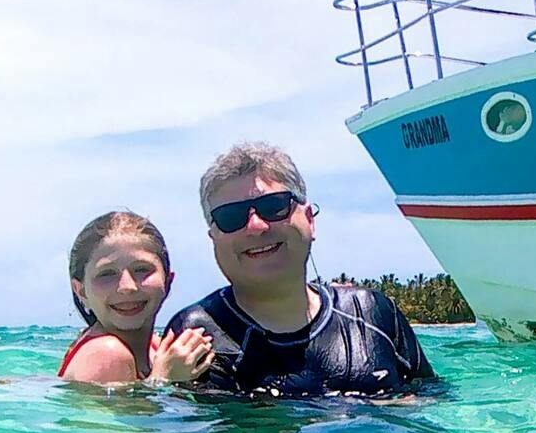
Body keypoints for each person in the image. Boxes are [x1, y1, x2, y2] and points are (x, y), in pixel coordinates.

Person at [163, 142, 434, 396]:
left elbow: (436, 407)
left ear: (309, 220)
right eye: (231, 217)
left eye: (274, 206)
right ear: (213, 237)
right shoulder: (196, 336)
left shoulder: (372, 313)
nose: (256, 226)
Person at [59, 211, 215, 385]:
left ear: (168, 281)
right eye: (107, 273)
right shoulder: (107, 354)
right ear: (81, 291)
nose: (127, 287)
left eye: (141, 269)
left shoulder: (156, 348)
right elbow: (130, 413)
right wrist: (162, 379)